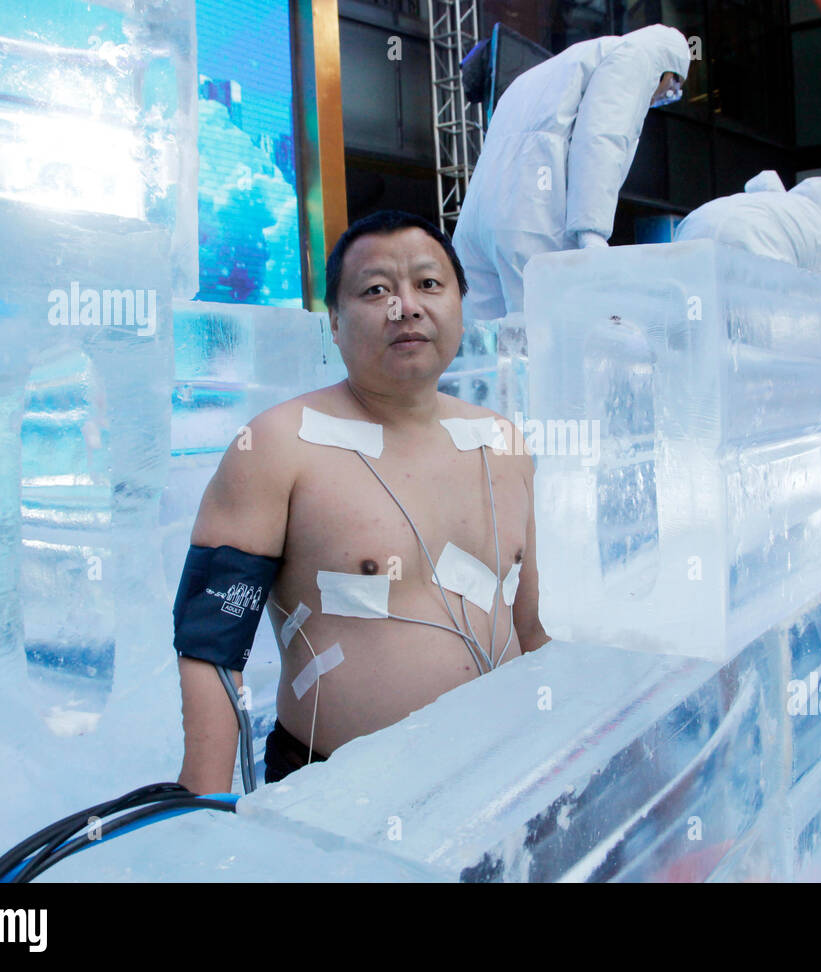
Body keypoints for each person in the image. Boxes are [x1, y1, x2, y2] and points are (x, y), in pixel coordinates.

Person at [173, 210, 550, 794]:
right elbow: (211, 641)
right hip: (337, 794)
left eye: (429, 284)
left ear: (460, 304)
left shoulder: (502, 443)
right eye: (377, 290)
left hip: (497, 777)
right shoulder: (276, 445)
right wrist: (204, 800)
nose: (407, 306)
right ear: (335, 320)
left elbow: (530, 627)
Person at [452, 24, 691, 321]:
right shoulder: (637, 57)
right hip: (533, 216)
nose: (661, 98)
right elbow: (602, 139)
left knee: (485, 342)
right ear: (669, 69)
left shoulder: (544, 72)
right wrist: (592, 232)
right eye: (671, 89)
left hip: (478, 219)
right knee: (547, 338)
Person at [671, 169, 821, 272]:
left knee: (692, 318)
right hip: (751, 249)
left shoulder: (774, 205)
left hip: (692, 231)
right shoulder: (818, 222)